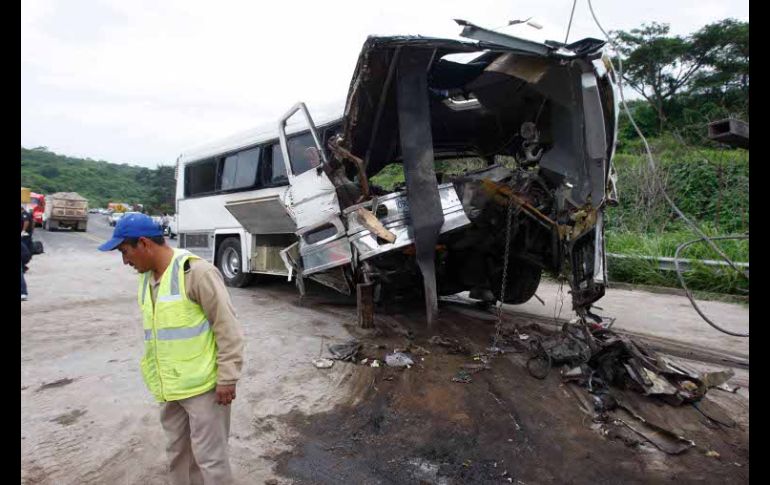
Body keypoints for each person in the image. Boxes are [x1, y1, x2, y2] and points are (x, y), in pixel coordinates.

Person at [98, 213, 244, 484]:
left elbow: (228, 328)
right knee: (178, 454)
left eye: (125, 251)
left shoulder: (196, 272)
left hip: (204, 389)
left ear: (144, 244)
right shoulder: (146, 278)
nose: (125, 260)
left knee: (211, 460)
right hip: (169, 389)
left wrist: (228, 377)